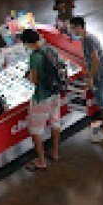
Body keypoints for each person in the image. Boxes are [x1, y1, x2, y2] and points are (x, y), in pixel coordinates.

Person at [63, 16, 103, 143]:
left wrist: (91, 78)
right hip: (99, 73)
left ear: (80, 27)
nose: (71, 31)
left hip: (100, 75)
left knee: (102, 103)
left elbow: (96, 59)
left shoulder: (88, 40)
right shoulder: (86, 39)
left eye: (72, 28)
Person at [21, 29, 62, 172]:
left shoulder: (34, 56)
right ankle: (55, 152)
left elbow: (34, 80)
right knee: (55, 122)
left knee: (35, 131)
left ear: (27, 43)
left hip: (42, 97)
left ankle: (41, 161)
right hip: (55, 94)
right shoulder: (49, 49)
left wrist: (27, 77)